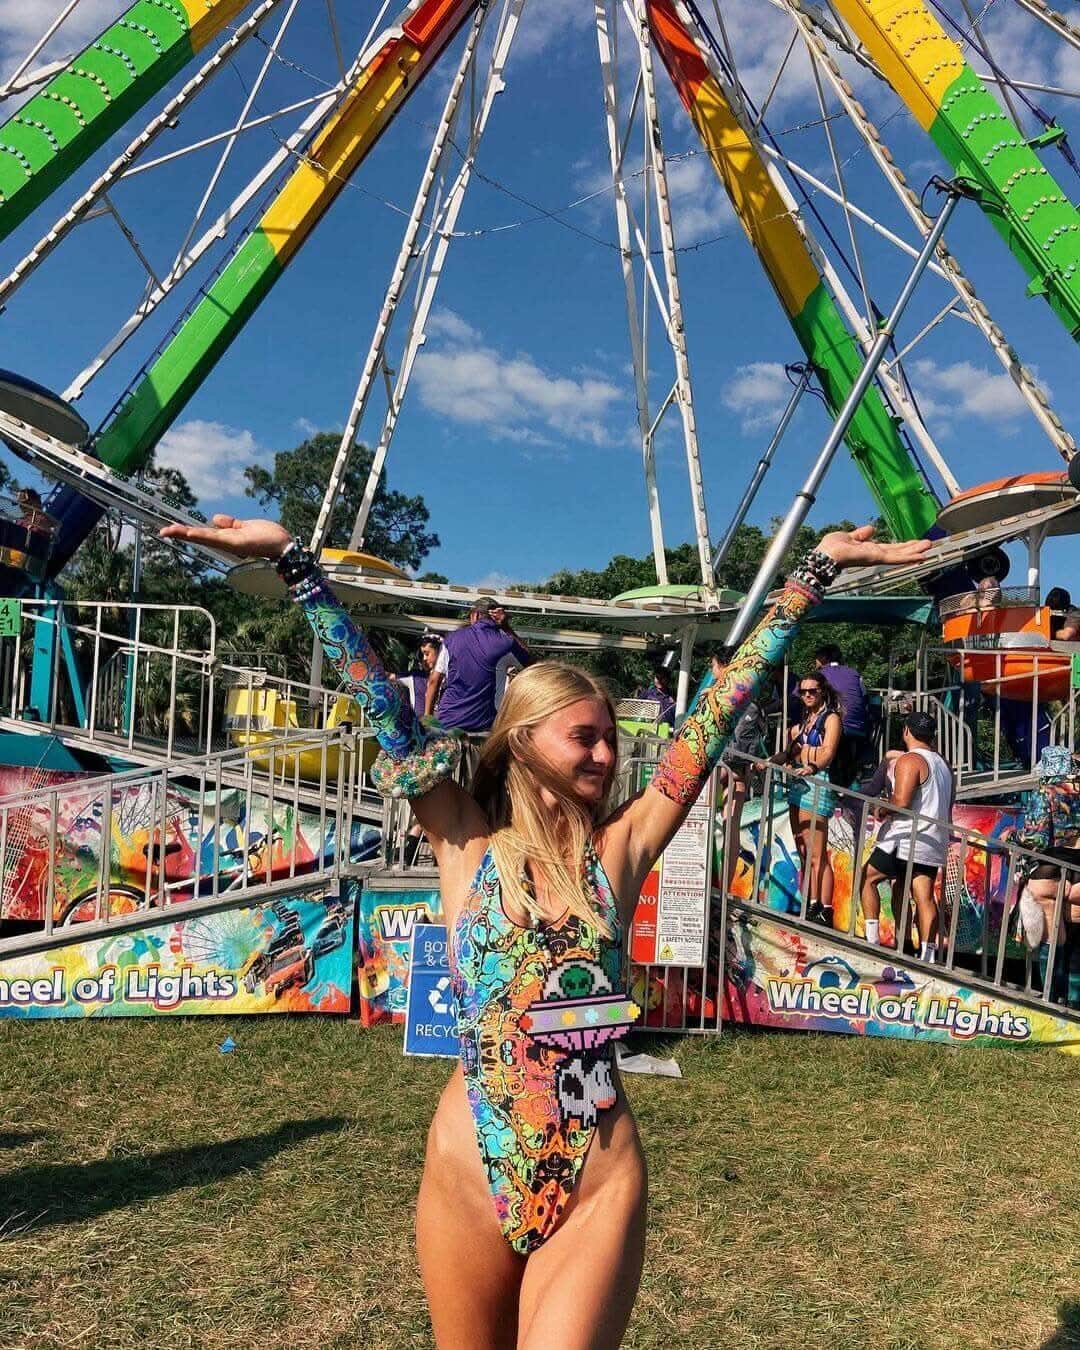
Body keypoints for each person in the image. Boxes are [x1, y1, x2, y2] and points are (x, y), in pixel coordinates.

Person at [160, 511, 928, 1348]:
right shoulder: (464, 839)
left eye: (610, 739)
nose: (605, 755)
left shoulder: (619, 852)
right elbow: (384, 709)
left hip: (596, 1175)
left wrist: (810, 575)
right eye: (583, 738)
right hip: (467, 1170)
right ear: (522, 743)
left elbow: (707, 723)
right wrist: (296, 566)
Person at [859, 711, 954, 962]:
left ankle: (872, 940)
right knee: (922, 894)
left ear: (906, 732)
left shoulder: (909, 760)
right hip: (933, 840)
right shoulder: (944, 765)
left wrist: (881, 808)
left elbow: (901, 801)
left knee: (867, 878)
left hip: (905, 839)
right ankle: (927, 954)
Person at [775, 670, 843, 925]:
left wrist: (811, 765)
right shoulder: (807, 718)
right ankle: (812, 901)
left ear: (822, 691)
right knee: (803, 848)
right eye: (803, 692)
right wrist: (772, 761)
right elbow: (792, 750)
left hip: (817, 783)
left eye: (812, 691)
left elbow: (828, 752)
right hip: (799, 783)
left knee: (817, 852)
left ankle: (824, 907)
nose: (807, 696)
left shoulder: (830, 718)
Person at [1016, 747, 1080, 1009]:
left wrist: (1012, 837)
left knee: (1052, 939)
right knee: (1076, 937)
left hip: (1050, 870)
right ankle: (1074, 1002)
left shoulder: (1047, 793)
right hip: (1077, 870)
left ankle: (1051, 1002)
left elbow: (1036, 839)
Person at [711, 647, 768, 895]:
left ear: (722, 666)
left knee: (708, 821)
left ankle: (711, 880)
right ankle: (725, 884)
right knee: (731, 826)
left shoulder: (716, 695)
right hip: (740, 769)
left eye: (713, 665)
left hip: (719, 767)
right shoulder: (750, 700)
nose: (711, 671)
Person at [427, 598, 533, 732]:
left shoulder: (452, 638)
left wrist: (428, 718)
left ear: (475, 615)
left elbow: (433, 681)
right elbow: (531, 664)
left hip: (448, 722)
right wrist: (506, 627)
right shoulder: (506, 643)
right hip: (484, 726)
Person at [814, 643, 870, 783]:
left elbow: (799, 698)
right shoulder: (854, 673)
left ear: (822, 658)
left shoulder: (819, 675)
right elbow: (864, 697)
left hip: (833, 729)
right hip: (859, 729)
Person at [394, 633, 442, 712]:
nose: (424, 659)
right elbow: (387, 676)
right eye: (422, 655)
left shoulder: (450, 678)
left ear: (439, 653)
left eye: (427, 654)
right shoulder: (415, 677)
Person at [635, 665, 675, 730]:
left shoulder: (673, 696)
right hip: (649, 729)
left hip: (669, 731)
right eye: (657, 678)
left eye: (662, 678)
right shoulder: (647, 694)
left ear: (668, 679)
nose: (659, 681)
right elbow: (635, 709)